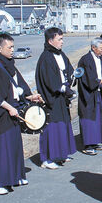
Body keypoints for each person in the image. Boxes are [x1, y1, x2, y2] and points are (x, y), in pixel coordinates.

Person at [0, 34, 43, 195]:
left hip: (13, 109)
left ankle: (14, 176)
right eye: (9, 47)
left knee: (13, 146)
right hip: (1, 114)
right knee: (1, 148)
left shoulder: (8, 64)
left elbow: (18, 86)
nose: (12, 50)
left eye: (12, 47)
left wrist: (29, 95)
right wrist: (9, 107)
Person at [35, 27, 76, 170]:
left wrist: (73, 77)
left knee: (63, 125)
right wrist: (62, 87)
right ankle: (47, 158)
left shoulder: (61, 54)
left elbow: (69, 71)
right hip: (51, 98)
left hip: (61, 97)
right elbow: (49, 80)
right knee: (51, 127)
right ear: (50, 40)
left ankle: (61, 153)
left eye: (62, 38)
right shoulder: (45, 57)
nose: (62, 42)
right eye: (59, 39)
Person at [77, 37, 102, 155]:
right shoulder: (85, 60)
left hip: (98, 92)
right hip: (88, 94)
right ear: (93, 47)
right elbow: (87, 78)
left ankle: (95, 142)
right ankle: (87, 145)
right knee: (88, 118)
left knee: (97, 117)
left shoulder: (101, 58)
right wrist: (101, 82)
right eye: (101, 48)